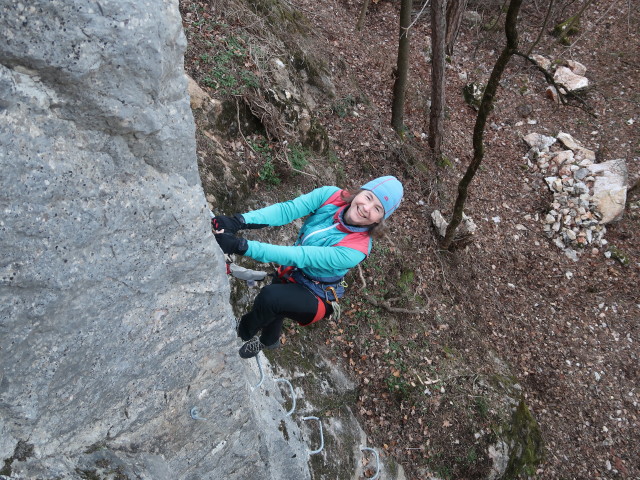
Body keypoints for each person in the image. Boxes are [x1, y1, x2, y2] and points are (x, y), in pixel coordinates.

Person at [213, 176, 403, 359]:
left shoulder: (355, 250)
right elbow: (287, 211)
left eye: (377, 209)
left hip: (317, 295)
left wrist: (241, 246)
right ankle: (269, 340)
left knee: (271, 298)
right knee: (278, 303)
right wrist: (238, 221)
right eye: (368, 197)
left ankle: (241, 330)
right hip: (294, 272)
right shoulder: (331, 195)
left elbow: (302, 256)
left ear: (379, 220)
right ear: (360, 192)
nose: (366, 208)